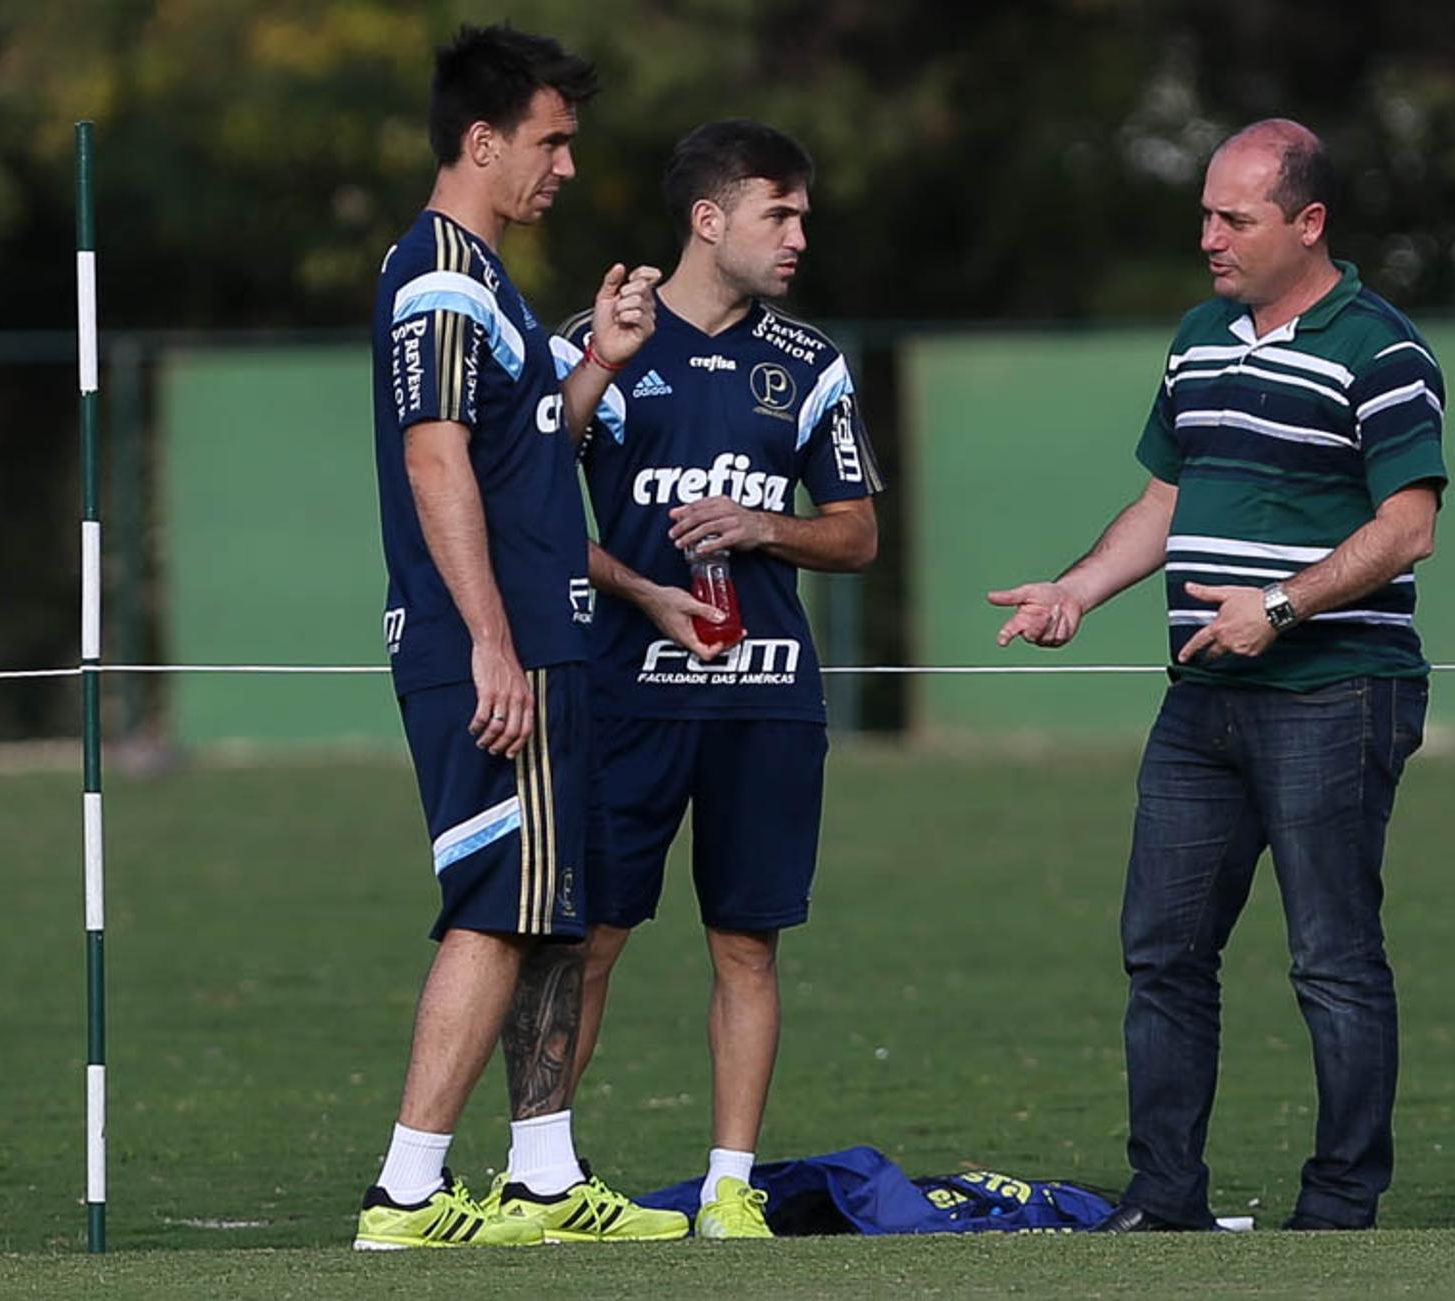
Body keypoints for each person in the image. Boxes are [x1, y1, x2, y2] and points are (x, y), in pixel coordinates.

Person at [990, 119, 1445, 1234]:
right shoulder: (1200, 336)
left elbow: (1409, 527)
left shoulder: (1382, 351)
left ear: (1309, 222)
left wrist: (1279, 608)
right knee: (1162, 949)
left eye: (1233, 218)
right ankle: (1165, 1198)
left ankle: (1340, 1205)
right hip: (1201, 700)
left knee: (1332, 959)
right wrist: (1075, 592)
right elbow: (1166, 500)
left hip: (1336, 694)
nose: (1209, 237)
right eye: (1204, 213)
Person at [356, 23, 687, 1249]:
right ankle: (405, 1187)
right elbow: (435, 453)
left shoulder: (490, 279)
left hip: (545, 633)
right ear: (483, 140)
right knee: (496, 899)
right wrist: (491, 641)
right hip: (491, 639)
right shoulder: (440, 274)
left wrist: (595, 359)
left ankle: (543, 1177)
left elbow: (523, 448)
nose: (563, 166)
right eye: (550, 142)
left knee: (548, 901)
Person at [550, 119, 883, 1240]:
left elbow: (856, 535)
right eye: (776, 214)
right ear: (709, 218)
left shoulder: (811, 363)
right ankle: (538, 1171)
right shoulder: (601, 337)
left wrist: (765, 525)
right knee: (586, 936)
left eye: (802, 215)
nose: (798, 236)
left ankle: (731, 1186)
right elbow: (536, 502)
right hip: (622, 691)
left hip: (766, 694)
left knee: (748, 942)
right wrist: (597, 361)